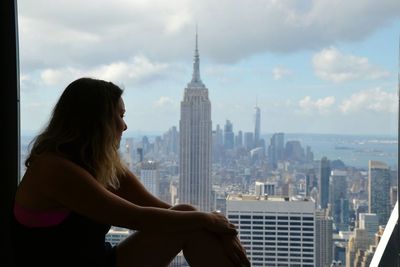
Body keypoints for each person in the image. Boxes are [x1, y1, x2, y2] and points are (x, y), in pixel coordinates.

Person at [12, 77, 250, 267]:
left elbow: (161, 210)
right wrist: (207, 219)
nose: (124, 126)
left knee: (188, 218)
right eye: (120, 115)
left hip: (102, 261)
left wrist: (220, 229)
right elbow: (137, 217)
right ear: (96, 120)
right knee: (191, 219)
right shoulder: (53, 169)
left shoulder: (100, 164)